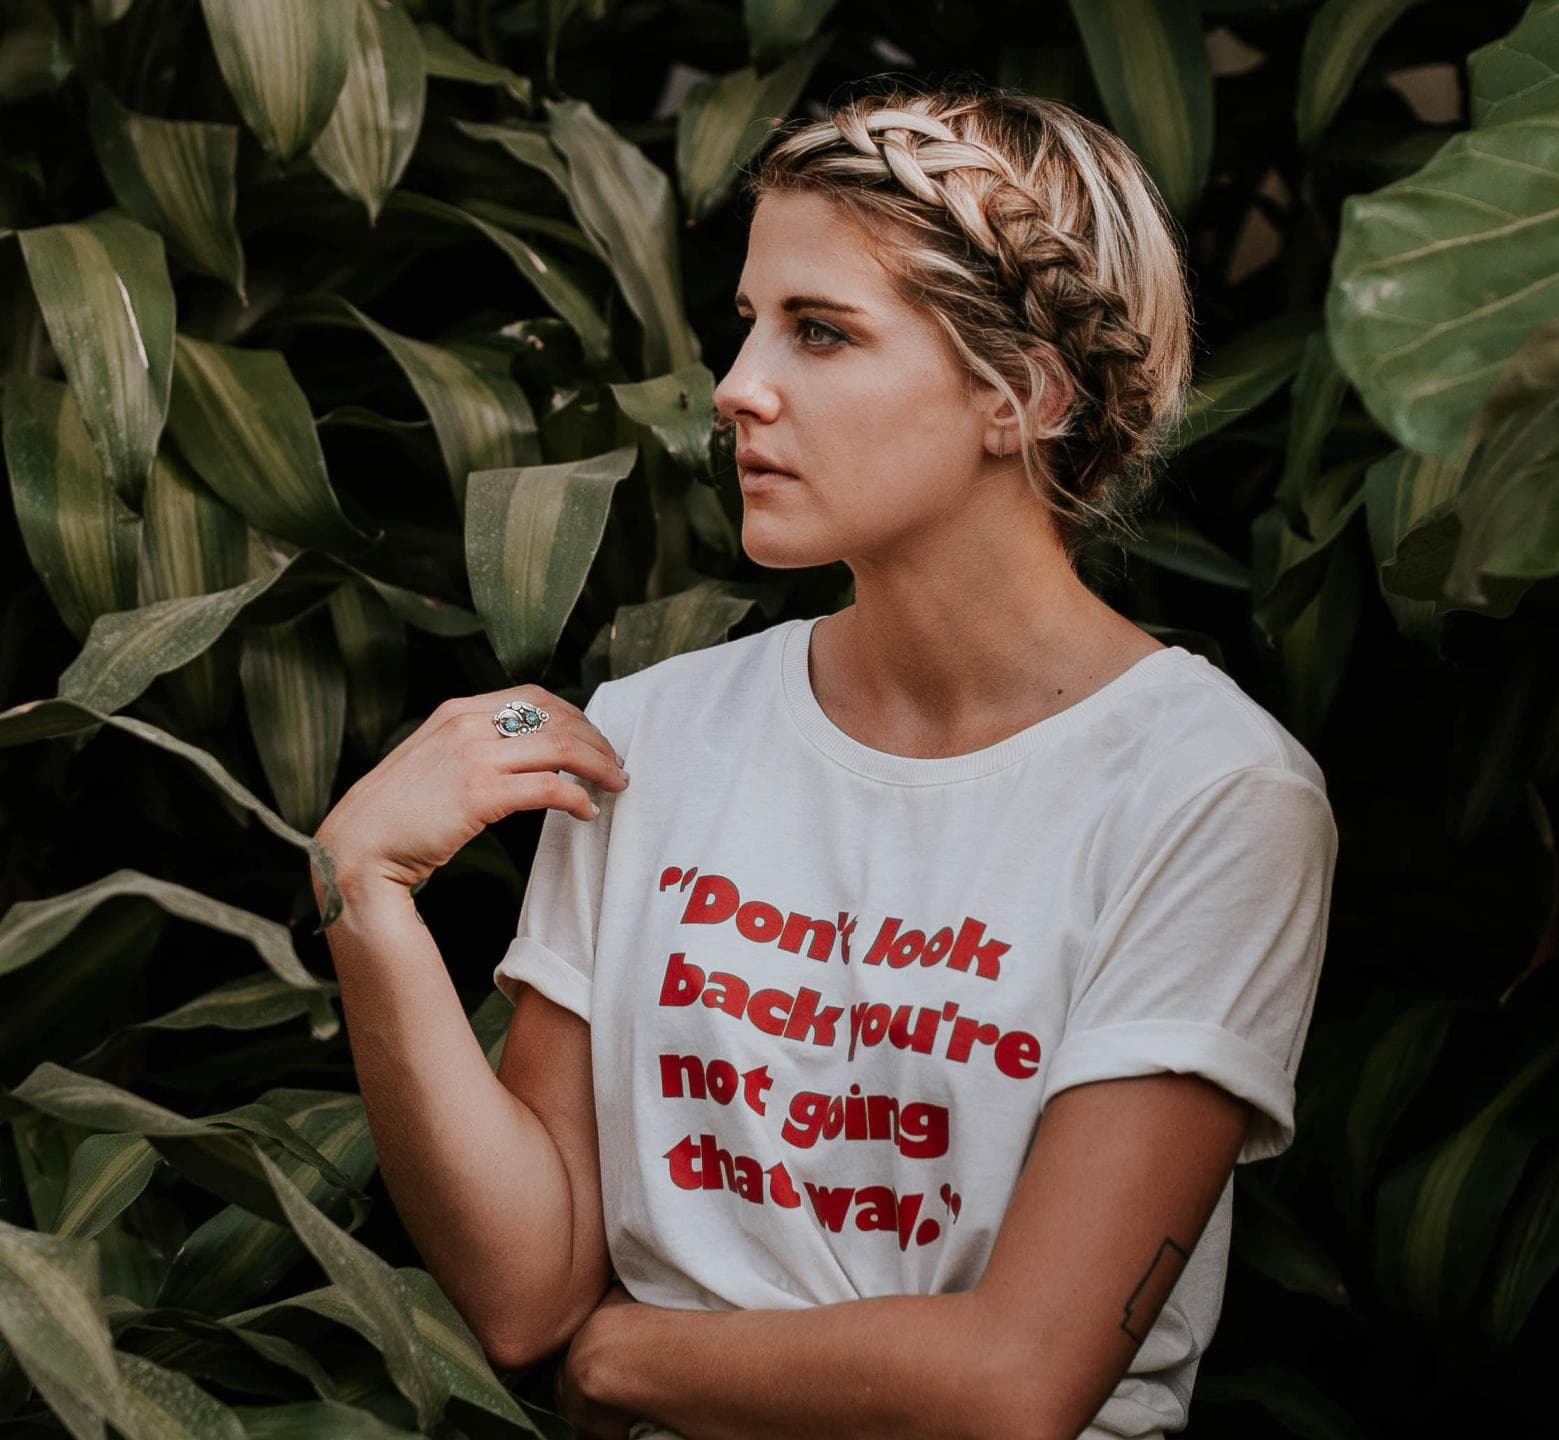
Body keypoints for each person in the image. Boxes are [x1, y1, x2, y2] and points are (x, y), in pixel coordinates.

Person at [312, 83, 1338, 1440]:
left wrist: (628, 1361)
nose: (738, 387)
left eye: (820, 331)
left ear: (1023, 394)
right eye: (750, 321)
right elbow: (527, 1294)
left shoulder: (1210, 793)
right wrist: (364, 892)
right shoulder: (654, 735)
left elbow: (1015, 1383)